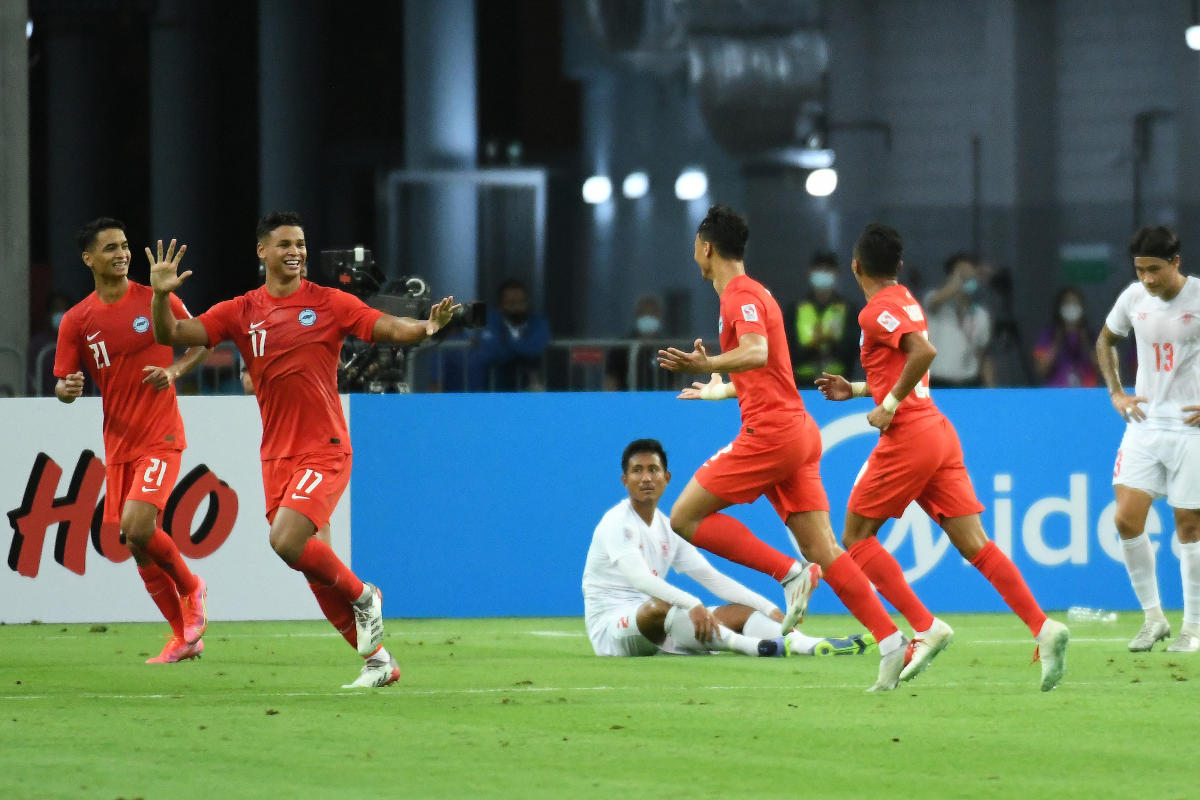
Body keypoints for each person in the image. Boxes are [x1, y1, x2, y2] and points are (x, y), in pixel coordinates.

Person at [147, 210, 459, 688]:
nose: (295, 251)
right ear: (262, 251)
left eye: (301, 243)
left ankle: (366, 594)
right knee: (310, 566)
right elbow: (171, 335)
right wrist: (163, 295)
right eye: (285, 243)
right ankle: (378, 661)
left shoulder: (329, 302)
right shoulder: (240, 310)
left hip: (325, 447)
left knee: (286, 541)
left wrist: (426, 328)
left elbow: (386, 327)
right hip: (276, 455)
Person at [658, 204, 911, 692]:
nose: (695, 255)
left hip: (772, 435)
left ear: (706, 248)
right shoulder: (753, 295)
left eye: (696, 246)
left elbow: (756, 352)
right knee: (827, 549)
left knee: (685, 517)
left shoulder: (741, 295)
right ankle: (890, 640)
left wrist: (702, 365)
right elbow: (764, 373)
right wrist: (720, 386)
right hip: (794, 431)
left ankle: (790, 573)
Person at [815, 223, 1070, 691]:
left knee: (855, 536)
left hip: (909, 434)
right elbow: (903, 368)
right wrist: (854, 389)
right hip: (936, 429)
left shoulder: (874, 312)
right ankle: (1043, 627)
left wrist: (886, 406)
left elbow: (923, 353)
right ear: (897, 265)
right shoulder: (907, 299)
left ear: (855, 267)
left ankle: (924, 625)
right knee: (976, 544)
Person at [53, 218, 211, 664]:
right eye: (110, 249)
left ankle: (192, 587)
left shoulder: (155, 299)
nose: (122, 254)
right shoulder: (77, 320)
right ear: (89, 259)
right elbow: (64, 383)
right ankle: (184, 638)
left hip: (160, 434)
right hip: (119, 443)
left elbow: (201, 340)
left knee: (140, 527)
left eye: (124, 246)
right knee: (135, 542)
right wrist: (65, 391)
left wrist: (174, 371)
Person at [583, 438, 874, 658]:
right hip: (612, 628)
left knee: (740, 612)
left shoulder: (667, 526)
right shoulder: (615, 523)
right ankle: (757, 648)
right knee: (660, 607)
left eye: (653, 470)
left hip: (660, 624)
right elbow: (640, 580)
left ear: (666, 478)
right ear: (625, 480)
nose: (646, 478)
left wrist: (767, 607)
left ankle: (809, 645)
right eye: (637, 471)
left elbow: (711, 577)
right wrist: (692, 604)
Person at [1096, 225, 1200, 653]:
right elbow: (1106, 340)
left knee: (1188, 527)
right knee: (1125, 518)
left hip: (1191, 430)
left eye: (1155, 270)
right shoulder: (1133, 298)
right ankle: (1154, 619)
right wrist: (1116, 391)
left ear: (1175, 262)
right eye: (1141, 270)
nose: (1148, 280)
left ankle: (1192, 628)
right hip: (1144, 423)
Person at [784, 249, 859, 390]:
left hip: (839, 384)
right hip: (802, 385)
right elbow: (787, 349)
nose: (823, 274)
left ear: (836, 274)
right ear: (810, 273)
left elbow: (854, 349)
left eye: (828, 270)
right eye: (819, 269)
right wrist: (811, 347)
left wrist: (830, 343)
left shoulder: (848, 309)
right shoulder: (796, 309)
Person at [924, 251, 993, 387]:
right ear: (950, 277)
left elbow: (983, 355)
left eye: (971, 275)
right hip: (938, 383)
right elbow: (936, 300)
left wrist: (991, 391)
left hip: (969, 383)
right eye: (962, 274)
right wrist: (959, 278)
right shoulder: (934, 301)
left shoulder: (981, 314)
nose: (968, 279)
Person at [475, 278, 551, 391]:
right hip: (494, 388)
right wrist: (523, 353)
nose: (517, 307)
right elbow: (491, 351)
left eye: (521, 302)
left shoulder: (538, 322)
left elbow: (535, 348)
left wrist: (507, 341)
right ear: (500, 306)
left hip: (528, 391)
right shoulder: (490, 320)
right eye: (511, 303)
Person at [1033, 287, 1100, 387]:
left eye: (1075, 303)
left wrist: (1086, 343)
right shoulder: (1049, 334)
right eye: (1067, 303)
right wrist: (1057, 341)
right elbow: (1041, 369)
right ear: (1059, 307)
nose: (1071, 307)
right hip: (1058, 393)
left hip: (1086, 393)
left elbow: (1103, 370)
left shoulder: (1091, 335)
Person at [604, 295, 667, 391]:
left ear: (659, 316)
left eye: (652, 314)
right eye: (644, 314)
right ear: (637, 316)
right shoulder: (621, 347)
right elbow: (611, 381)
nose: (648, 318)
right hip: (627, 400)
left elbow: (676, 383)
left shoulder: (667, 348)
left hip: (659, 400)